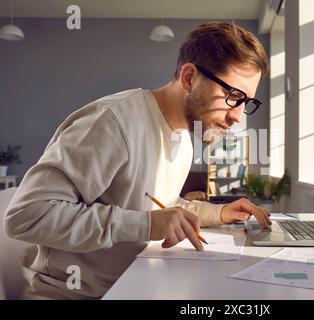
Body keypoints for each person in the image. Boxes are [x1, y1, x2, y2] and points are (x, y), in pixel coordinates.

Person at [4, 22, 271, 299]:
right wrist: (145, 225)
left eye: (247, 102)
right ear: (190, 78)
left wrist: (219, 213)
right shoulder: (112, 123)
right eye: (233, 96)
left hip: (137, 287)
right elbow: (26, 216)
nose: (238, 116)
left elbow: (156, 206)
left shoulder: (183, 137)